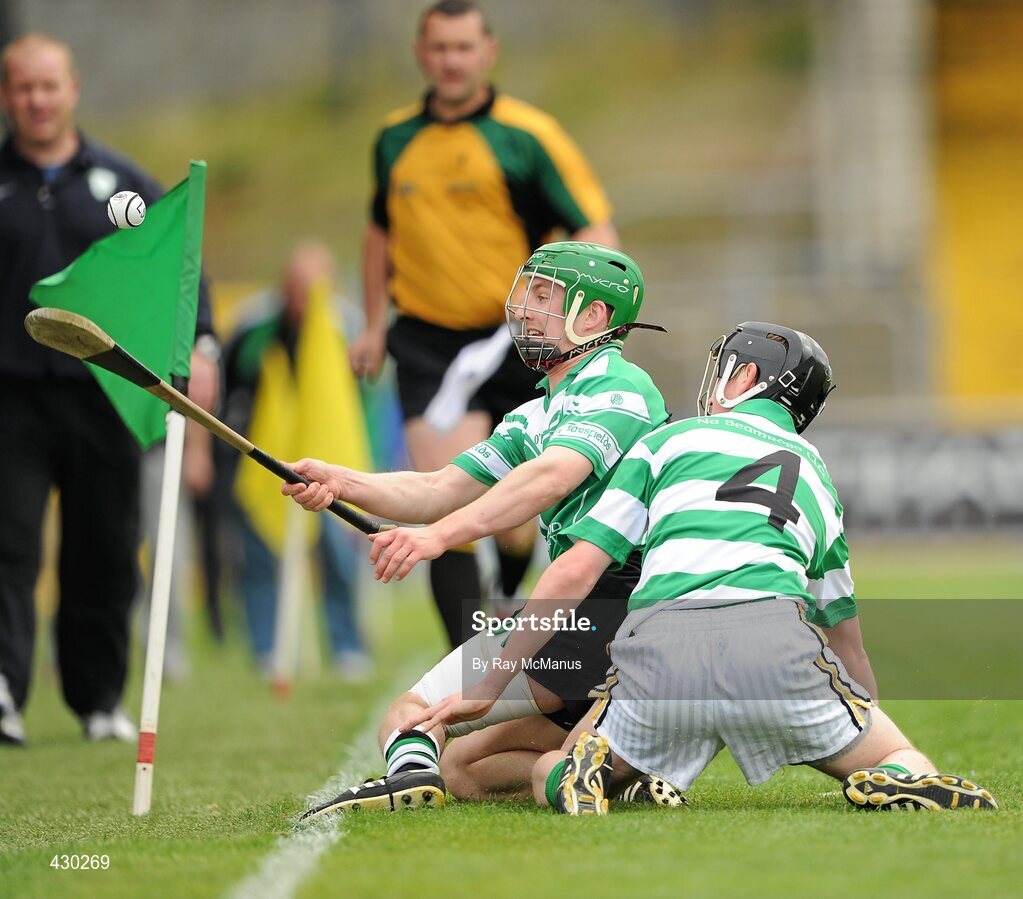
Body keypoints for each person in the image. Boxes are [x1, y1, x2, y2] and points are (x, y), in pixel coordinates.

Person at [412, 322, 998, 815]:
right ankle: (901, 776)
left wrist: (489, 687)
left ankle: (579, 771)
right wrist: (859, 717)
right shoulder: (816, 473)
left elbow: (573, 572)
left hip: (660, 648)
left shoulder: (667, 443)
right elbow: (846, 636)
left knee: (555, 767)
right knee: (897, 754)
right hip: (776, 645)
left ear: (745, 379)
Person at [286, 242, 684, 818]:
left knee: (413, 713)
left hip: (625, 608)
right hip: (580, 614)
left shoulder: (620, 388)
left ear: (593, 316)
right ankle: (621, 773)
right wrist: (337, 480)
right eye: (527, 292)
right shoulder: (535, 413)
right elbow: (437, 488)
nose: (523, 308)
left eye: (544, 295)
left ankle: (427, 784)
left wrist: (438, 538)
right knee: (458, 765)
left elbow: (552, 477)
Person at [348, 0, 620, 647]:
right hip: (427, 340)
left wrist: (594, 319)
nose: (450, 61)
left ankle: (505, 586)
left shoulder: (528, 136)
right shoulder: (393, 140)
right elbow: (377, 234)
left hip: (520, 339)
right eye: (439, 48)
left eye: (463, 48)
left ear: (487, 52)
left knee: (514, 520)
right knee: (444, 497)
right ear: (421, 53)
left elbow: (595, 228)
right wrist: (372, 325)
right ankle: (468, 664)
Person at [0, 34, 218, 744]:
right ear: (7, 95)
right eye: (21, 87)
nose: (36, 100)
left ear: (73, 88)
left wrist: (203, 342)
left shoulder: (122, 184)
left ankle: (98, 701)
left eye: (47, 86)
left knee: (104, 546)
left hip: (106, 398)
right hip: (11, 401)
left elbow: (180, 270)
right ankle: (4, 691)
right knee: (9, 545)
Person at [222, 241, 370, 678]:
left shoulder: (344, 326)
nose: (305, 297)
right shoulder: (254, 325)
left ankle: (347, 646)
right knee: (259, 554)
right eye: (299, 286)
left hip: (330, 461)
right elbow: (231, 387)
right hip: (261, 457)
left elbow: (357, 401)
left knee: (337, 554)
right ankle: (266, 648)